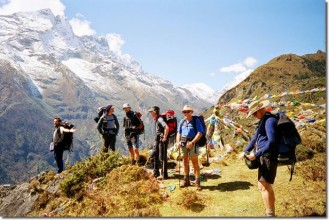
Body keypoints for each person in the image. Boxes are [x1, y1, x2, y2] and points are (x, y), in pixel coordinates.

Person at [238, 100, 278, 217]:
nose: (254, 116)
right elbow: (255, 138)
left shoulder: (269, 120)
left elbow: (272, 142)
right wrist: (245, 151)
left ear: (260, 110)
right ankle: (270, 211)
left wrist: (256, 154)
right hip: (263, 156)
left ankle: (270, 214)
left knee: (264, 185)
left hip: (268, 156)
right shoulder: (263, 121)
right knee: (264, 185)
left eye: (255, 113)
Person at [176, 105, 204, 190]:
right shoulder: (182, 122)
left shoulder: (196, 121)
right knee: (185, 162)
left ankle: (197, 182)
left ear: (192, 112)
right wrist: (178, 142)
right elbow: (179, 133)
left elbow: (200, 133)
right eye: (185, 112)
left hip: (193, 143)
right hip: (183, 143)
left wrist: (192, 142)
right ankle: (186, 180)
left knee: (195, 163)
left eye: (188, 111)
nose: (186, 113)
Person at [148, 106, 170, 180]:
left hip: (161, 140)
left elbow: (166, 127)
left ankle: (164, 175)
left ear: (155, 112)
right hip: (157, 139)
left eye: (151, 112)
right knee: (155, 155)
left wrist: (164, 137)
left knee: (162, 157)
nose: (150, 113)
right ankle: (156, 173)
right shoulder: (157, 119)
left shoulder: (160, 119)